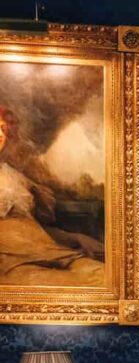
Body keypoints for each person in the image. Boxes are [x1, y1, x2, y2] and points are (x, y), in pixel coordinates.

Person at [0, 106, 103, 285]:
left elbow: (33, 228)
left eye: (2, 128)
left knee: (103, 276)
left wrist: (75, 238)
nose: (0, 134)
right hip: (13, 263)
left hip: (50, 252)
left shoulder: (13, 177)